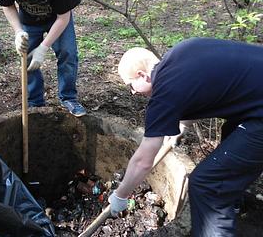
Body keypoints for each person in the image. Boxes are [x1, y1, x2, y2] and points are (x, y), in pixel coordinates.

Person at [108, 37, 263, 236]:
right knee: (231, 135)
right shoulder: (180, 54)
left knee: (206, 184)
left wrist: (121, 195)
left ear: (142, 75)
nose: (132, 92)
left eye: (131, 85)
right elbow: (203, 89)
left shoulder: (164, 94)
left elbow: (142, 162)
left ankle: (217, 219)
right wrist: (181, 128)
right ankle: (230, 202)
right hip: (256, 103)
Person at [0, 0, 86, 116]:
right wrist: (18, 31)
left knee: (68, 53)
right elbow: (7, 5)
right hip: (29, 21)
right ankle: (35, 103)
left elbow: (63, 18)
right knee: (28, 57)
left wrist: (43, 47)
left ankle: (68, 98)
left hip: (57, 19)